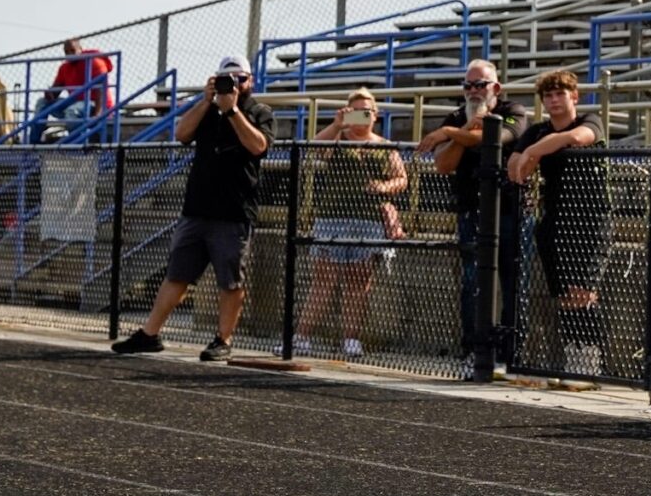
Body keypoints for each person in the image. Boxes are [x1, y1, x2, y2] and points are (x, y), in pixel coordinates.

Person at [114, 55, 275, 361]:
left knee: (230, 280)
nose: (233, 85)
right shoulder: (208, 111)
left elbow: (258, 146)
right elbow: (182, 134)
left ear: (250, 81)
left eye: (239, 79)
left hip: (234, 211)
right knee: (177, 274)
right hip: (197, 207)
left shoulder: (259, 112)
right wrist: (206, 101)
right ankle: (150, 333)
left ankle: (223, 339)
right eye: (225, 79)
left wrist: (233, 112)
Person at [419, 59, 525, 370]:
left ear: (496, 87)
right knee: (471, 284)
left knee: (512, 283)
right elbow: (443, 165)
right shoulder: (456, 116)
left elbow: (496, 138)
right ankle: (473, 351)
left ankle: (510, 355)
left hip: (510, 211)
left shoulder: (513, 111)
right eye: (468, 85)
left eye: (481, 84)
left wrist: (449, 133)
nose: (474, 91)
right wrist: (462, 128)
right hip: (471, 211)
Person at [293, 89, 409, 360]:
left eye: (366, 111)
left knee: (359, 284)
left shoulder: (384, 144)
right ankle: (302, 337)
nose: (362, 116)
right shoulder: (338, 139)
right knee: (323, 281)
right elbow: (315, 150)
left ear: (375, 115)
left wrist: (383, 186)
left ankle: (351, 340)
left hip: (367, 221)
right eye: (356, 110)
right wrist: (336, 124)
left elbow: (401, 179)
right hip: (332, 218)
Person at [506, 71, 607, 374]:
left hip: (590, 219)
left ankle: (589, 364)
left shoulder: (590, 120)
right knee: (564, 294)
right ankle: (572, 360)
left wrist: (535, 151)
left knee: (582, 292)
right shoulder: (537, 130)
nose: (554, 100)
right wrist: (525, 157)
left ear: (574, 96)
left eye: (560, 94)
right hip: (554, 219)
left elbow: (577, 138)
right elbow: (514, 165)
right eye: (548, 96)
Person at [35, 36, 114, 140]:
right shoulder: (64, 68)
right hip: (76, 102)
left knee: (72, 111)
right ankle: (33, 143)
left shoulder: (95, 61)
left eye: (72, 50)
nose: (69, 54)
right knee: (42, 102)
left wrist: (97, 115)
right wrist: (50, 95)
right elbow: (56, 91)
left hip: (96, 105)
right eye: (66, 52)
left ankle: (77, 145)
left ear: (80, 49)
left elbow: (101, 90)